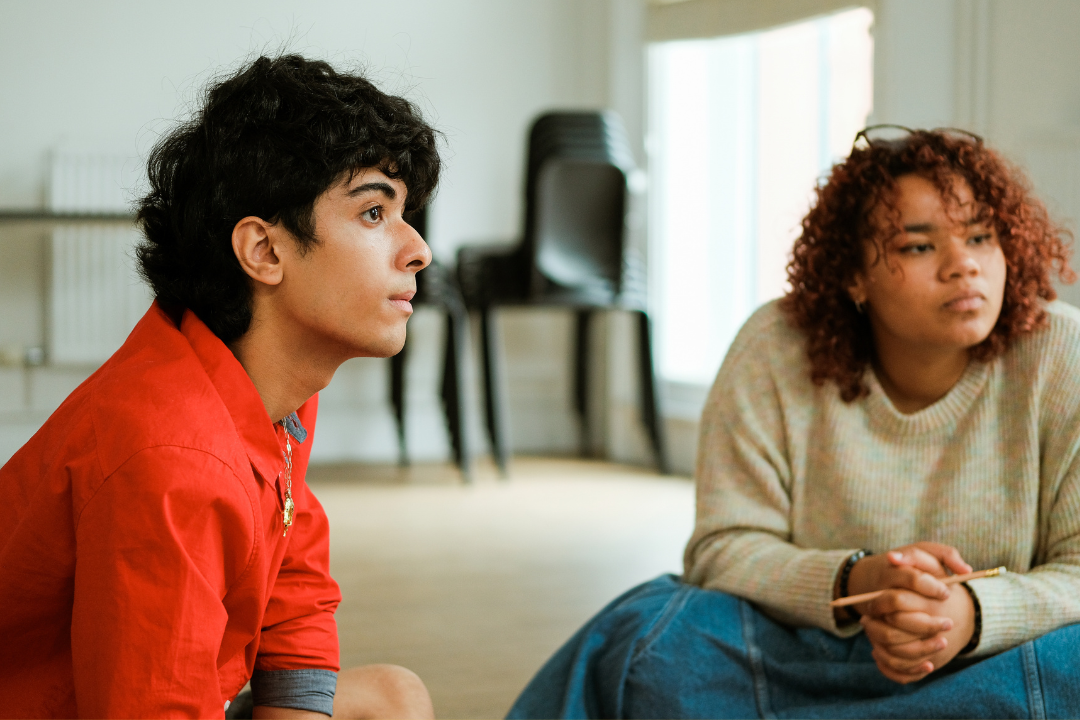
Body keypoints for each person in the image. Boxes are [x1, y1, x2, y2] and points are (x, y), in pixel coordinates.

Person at [507, 127, 1080, 718]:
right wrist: (858, 581)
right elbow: (722, 547)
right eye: (918, 246)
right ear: (854, 274)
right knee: (641, 627)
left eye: (981, 237)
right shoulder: (775, 346)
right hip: (807, 653)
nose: (964, 266)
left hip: (987, 662)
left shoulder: (1063, 354)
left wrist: (974, 614)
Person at [0, 55, 440, 719]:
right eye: (374, 213)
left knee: (393, 697)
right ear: (264, 251)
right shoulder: (171, 457)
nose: (418, 250)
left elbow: (296, 574)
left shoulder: (274, 386)